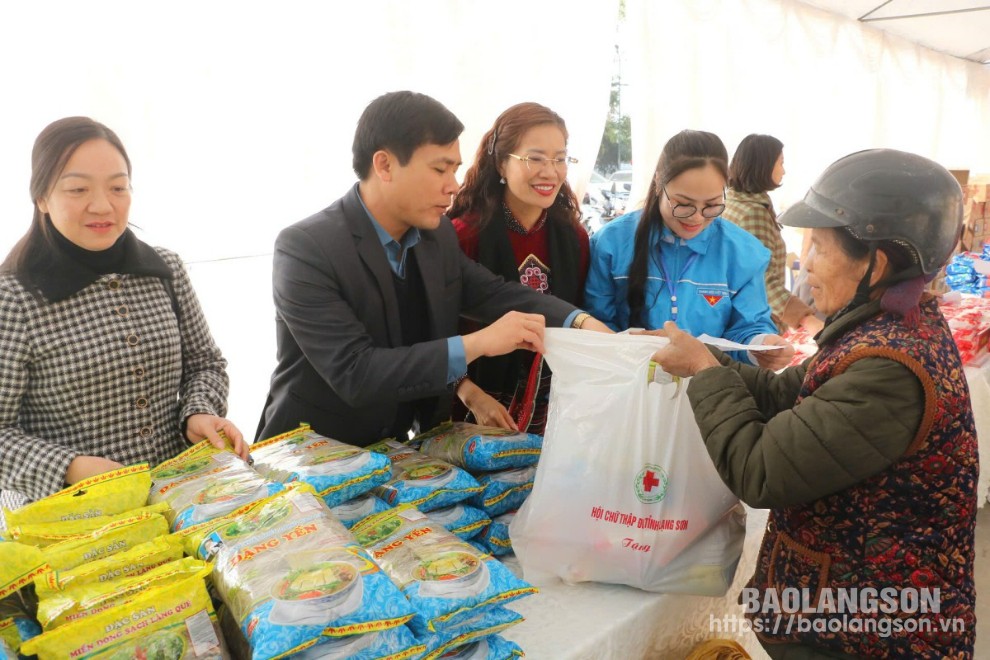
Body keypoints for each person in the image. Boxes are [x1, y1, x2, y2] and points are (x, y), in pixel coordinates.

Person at [652, 149, 977, 658]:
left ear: (879, 262)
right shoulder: (876, 328)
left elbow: (761, 470)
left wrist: (706, 374)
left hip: (870, 631)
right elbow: (787, 394)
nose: (808, 264)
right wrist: (707, 357)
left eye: (821, 247)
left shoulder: (890, 370)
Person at [256, 91, 608, 447]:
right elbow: (356, 373)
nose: (453, 186)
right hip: (309, 451)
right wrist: (478, 343)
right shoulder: (306, 248)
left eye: (455, 169)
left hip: (393, 450)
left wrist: (580, 321)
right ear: (385, 165)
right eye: (440, 169)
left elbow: (492, 292)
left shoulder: (435, 236)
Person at [0, 117, 245, 509]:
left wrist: (197, 413)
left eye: (118, 187)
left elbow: (206, 364)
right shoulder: (13, 296)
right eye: (78, 189)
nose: (103, 205)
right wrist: (71, 466)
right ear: (42, 198)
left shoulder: (164, 269)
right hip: (76, 514)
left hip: (180, 497)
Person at [584, 129, 794, 368]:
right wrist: (631, 347)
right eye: (683, 204)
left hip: (705, 393)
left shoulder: (743, 253)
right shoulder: (612, 243)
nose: (696, 218)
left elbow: (748, 327)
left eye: (712, 205)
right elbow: (595, 324)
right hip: (629, 385)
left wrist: (762, 345)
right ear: (658, 185)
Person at [447, 102, 589, 433]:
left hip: (554, 405)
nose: (551, 172)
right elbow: (432, 337)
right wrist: (471, 395)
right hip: (475, 405)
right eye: (535, 158)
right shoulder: (464, 236)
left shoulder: (575, 238)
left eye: (560, 159)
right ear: (500, 163)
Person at [722, 134, 823, 335]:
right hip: (756, 323)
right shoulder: (753, 213)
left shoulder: (735, 201)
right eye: (781, 163)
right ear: (764, 165)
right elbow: (762, 279)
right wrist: (805, 318)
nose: (784, 171)